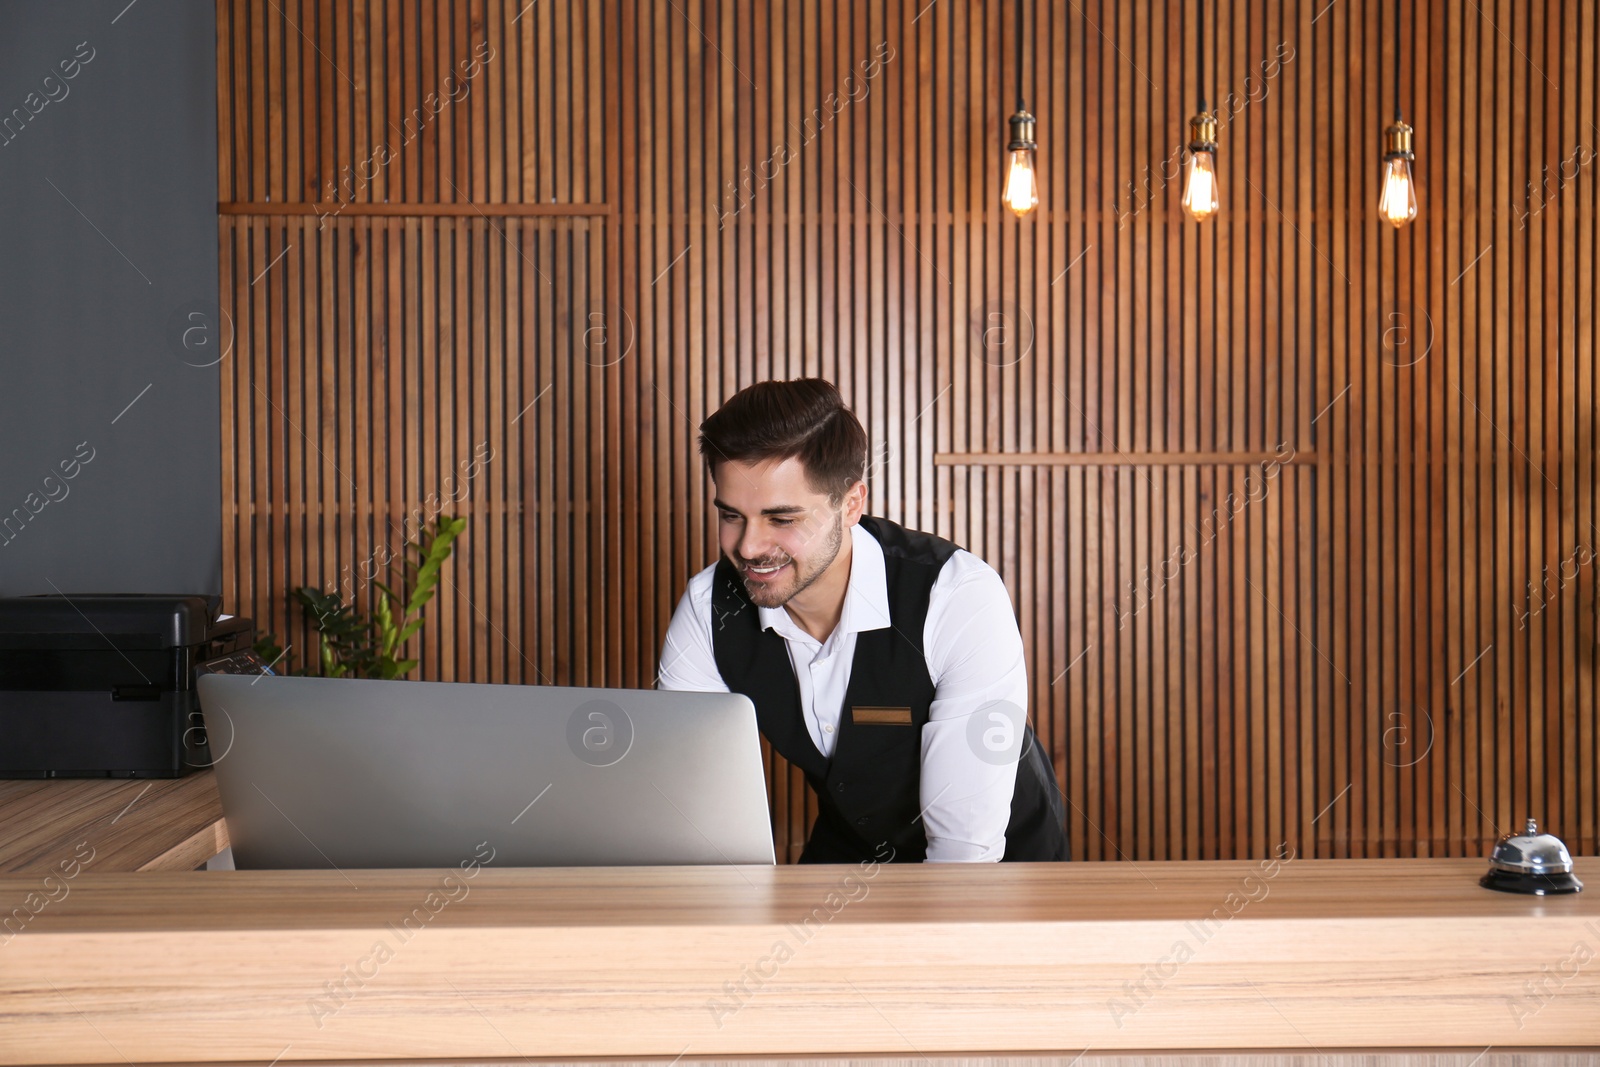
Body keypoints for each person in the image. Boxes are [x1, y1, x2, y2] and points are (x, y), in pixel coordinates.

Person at [657, 378, 1069, 863]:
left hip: (998, 870)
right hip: (851, 854)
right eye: (731, 516)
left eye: (782, 520)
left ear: (851, 504)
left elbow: (964, 852)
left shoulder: (956, 595)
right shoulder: (709, 606)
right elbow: (689, 802)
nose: (748, 548)